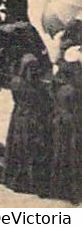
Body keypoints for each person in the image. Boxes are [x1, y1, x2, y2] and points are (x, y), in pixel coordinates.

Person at [3, 53, 52, 195]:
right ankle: (27, 181)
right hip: (30, 118)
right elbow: (41, 100)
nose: (34, 71)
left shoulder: (16, 81)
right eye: (31, 68)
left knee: (18, 146)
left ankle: (15, 178)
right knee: (28, 148)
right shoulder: (32, 87)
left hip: (19, 116)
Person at [46, 58, 82, 203]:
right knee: (72, 155)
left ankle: (58, 186)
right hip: (71, 124)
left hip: (59, 121)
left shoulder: (56, 86)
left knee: (59, 153)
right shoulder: (72, 90)